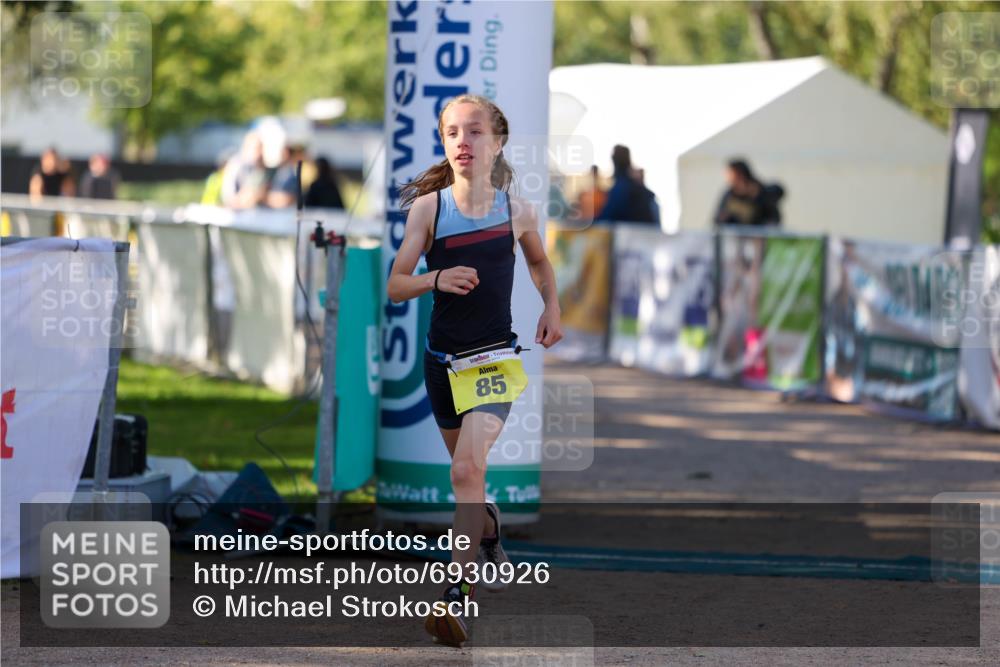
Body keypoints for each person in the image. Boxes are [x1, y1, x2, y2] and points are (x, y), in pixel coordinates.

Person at [387, 94, 562, 647]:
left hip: (492, 361)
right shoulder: (430, 210)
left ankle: (456, 599)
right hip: (442, 363)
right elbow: (395, 286)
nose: (463, 141)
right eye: (452, 133)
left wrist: (552, 306)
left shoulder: (517, 210)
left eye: (475, 132)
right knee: (470, 480)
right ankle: (487, 526)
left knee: (465, 472)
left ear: (498, 142)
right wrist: (436, 279)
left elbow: (537, 261)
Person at [714, 158, 784, 227]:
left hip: (760, 233)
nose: (727, 177)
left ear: (740, 174)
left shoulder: (760, 190)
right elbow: (717, 219)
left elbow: (779, 191)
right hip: (739, 234)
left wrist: (758, 195)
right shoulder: (729, 194)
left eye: (730, 173)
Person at [596, 145, 655, 224]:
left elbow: (607, 216)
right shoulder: (636, 188)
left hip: (629, 233)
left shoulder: (621, 188)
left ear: (614, 161)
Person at [221, 132, 269, 209]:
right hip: (236, 209)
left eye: (261, 148)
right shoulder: (236, 165)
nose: (260, 152)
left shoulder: (259, 166)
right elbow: (229, 195)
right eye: (257, 148)